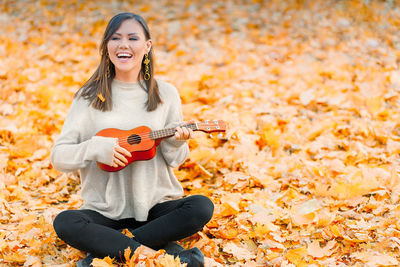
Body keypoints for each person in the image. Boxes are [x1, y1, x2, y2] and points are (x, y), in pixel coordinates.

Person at [51, 12, 214, 267]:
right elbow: (59, 156)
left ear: (147, 46)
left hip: (155, 209)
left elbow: (175, 160)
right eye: (115, 38)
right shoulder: (87, 97)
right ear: (107, 46)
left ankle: (106, 252)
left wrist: (178, 141)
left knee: (201, 206)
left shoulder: (166, 94)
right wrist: (95, 148)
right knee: (65, 222)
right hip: (103, 211)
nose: (123, 45)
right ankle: (165, 256)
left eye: (133, 38)